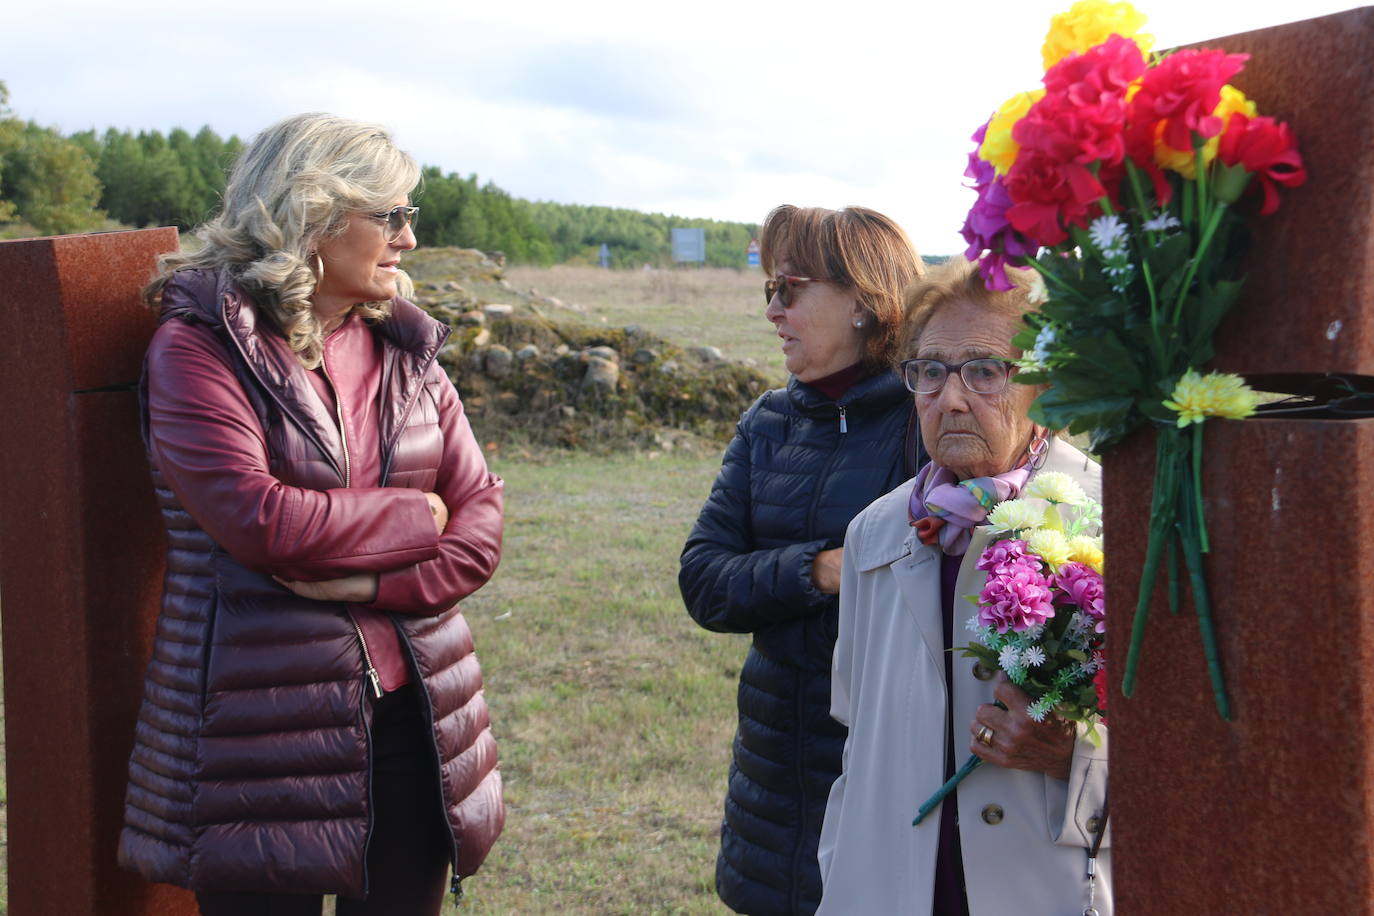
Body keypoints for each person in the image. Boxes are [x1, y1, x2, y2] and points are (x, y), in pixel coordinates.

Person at [117, 113, 505, 916]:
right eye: (390, 214)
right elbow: (259, 520)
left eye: (410, 216)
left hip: (416, 717)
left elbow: (480, 530)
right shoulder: (200, 346)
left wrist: (362, 584)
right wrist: (415, 516)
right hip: (258, 735)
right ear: (314, 212)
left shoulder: (407, 346)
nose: (407, 238)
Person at [816, 258, 1110, 915]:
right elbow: (858, 746)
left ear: (1042, 382)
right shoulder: (876, 533)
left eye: (984, 371)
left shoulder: (1109, 520)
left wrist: (1072, 759)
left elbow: (1187, 764)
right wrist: (840, 877)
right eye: (929, 372)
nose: (950, 398)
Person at [679, 205, 926, 915]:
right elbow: (703, 580)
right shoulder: (768, 423)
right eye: (768, 292)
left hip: (885, 771)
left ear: (863, 301)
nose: (773, 312)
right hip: (773, 773)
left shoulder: (932, 420)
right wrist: (820, 570)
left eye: (789, 288)